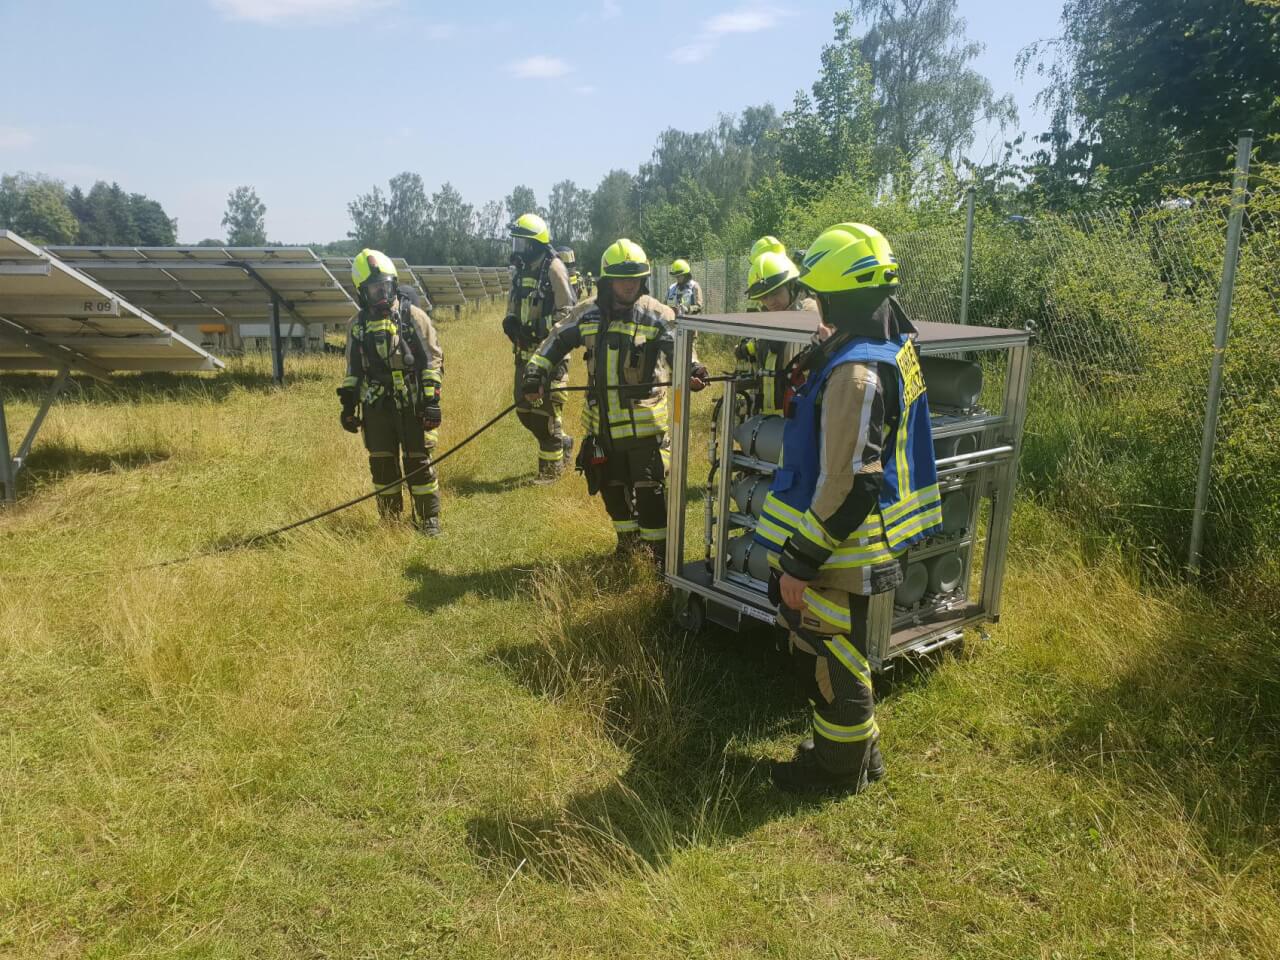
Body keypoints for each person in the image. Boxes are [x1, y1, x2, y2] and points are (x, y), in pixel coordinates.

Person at [752, 223, 943, 794]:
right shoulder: (890, 345)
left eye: (821, 294)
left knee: (831, 658)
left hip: (841, 546)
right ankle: (863, 754)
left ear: (837, 295)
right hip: (862, 536)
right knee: (842, 650)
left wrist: (799, 562)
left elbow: (849, 482)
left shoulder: (855, 374)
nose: (817, 303)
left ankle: (836, 771)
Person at [521, 239, 709, 565]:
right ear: (607, 281)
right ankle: (627, 550)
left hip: (645, 431)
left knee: (651, 497)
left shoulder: (656, 315)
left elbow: (682, 349)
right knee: (612, 493)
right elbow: (556, 339)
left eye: (635, 279)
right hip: (602, 429)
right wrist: (536, 373)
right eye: (622, 279)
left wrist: (694, 369)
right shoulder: (588, 312)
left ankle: (657, 563)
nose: (629, 285)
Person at [337, 249, 444, 535]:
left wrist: (432, 401)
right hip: (376, 407)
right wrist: (348, 406)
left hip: (412, 402)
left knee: (418, 461)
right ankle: (390, 522)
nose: (381, 294)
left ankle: (428, 519)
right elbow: (353, 369)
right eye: (374, 290)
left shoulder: (414, 317)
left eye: (385, 287)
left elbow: (432, 361)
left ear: (394, 284)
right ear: (362, 293)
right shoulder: (357, 326)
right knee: (382, 464)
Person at [502, 213, 577, 483]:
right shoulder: (522, 270)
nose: (518, 249)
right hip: (523, 353)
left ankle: (551, 472)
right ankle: (561, 441)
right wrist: (511, 321)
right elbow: (514, 303)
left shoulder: (554, 269)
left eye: (522, 243)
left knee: (547, 412)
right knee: (524, 409)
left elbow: (567, 313)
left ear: (535, 244)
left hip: (549, 354)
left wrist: (537, 328)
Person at [734, 249, 820, 418]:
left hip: (799, 417)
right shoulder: (769, 316)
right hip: (768, 416)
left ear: (791, 286)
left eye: (775, 293)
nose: (771, 302)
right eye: (764, 297)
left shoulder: (809, 314)